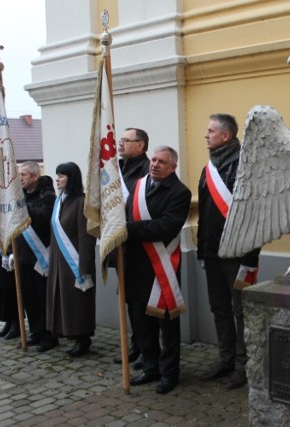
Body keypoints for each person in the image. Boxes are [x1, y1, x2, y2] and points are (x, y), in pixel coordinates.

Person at [197, 114, 261, 390]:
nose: (206, 135)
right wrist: (201, 250)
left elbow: (255, 214)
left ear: (226, 135)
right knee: (219, 308)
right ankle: (226, 360)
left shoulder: (247, 165)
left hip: (239, 253)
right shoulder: (208, 168)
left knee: (240, 311)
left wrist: (250, 257)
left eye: (211, 131)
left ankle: (243, 365)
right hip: (212, 253)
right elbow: (203, 215)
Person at [125, 145, 191, 395]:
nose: (154, 164)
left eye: (162, 162)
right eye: (153, 159)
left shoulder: (179, 192)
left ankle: (169, 373)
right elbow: (126, 214)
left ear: (173, 166)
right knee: (141, 323)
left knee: (167, 326)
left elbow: (166, 227)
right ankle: (151, 366)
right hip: (135, 264)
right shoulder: (139, 185)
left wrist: (129, 229)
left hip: (162, 267)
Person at [46, 162, 97, 357]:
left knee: (77, 303)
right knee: (63, 300)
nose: (57, 179)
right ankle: (70, 335)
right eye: (57, 175)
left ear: (72, 178)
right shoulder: (60, 200)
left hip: (76, 262)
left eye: (62, 176)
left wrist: (84, 267)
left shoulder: (81, 202)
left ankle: (83, 338)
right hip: (59, 260)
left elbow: (86, 238)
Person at [111, 128, 150, 367]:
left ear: (140, 145)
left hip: (139, 246)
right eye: (120, 140)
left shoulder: (146, 170)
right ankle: (136, 346)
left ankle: (147, 349)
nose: (120, 144)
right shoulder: (117, 170)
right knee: (129, 300)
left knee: (140, 303)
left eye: (126, 140)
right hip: (122, 244)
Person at [14, 161, 57, 352]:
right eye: (19, 174)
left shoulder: (47, 196)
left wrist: (24, 209)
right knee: (29, 298)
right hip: (23, 255)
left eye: (23, 175)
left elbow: (44, 218)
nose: (20, 178)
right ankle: (36, 331)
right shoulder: (21, 196)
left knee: (43, 298)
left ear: (34, 177)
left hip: (41, 257)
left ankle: (50, 334)